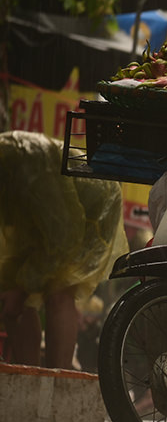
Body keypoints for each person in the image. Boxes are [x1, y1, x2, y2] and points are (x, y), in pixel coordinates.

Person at [0, 131, 128, 370]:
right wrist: (16, 288)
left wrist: (22, 286)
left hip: (93, 208)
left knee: (57, 290)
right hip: (47, 215)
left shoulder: (27, 164)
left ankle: (55, 378)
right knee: (12, 296)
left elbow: (63, 237)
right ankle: (27, 374)